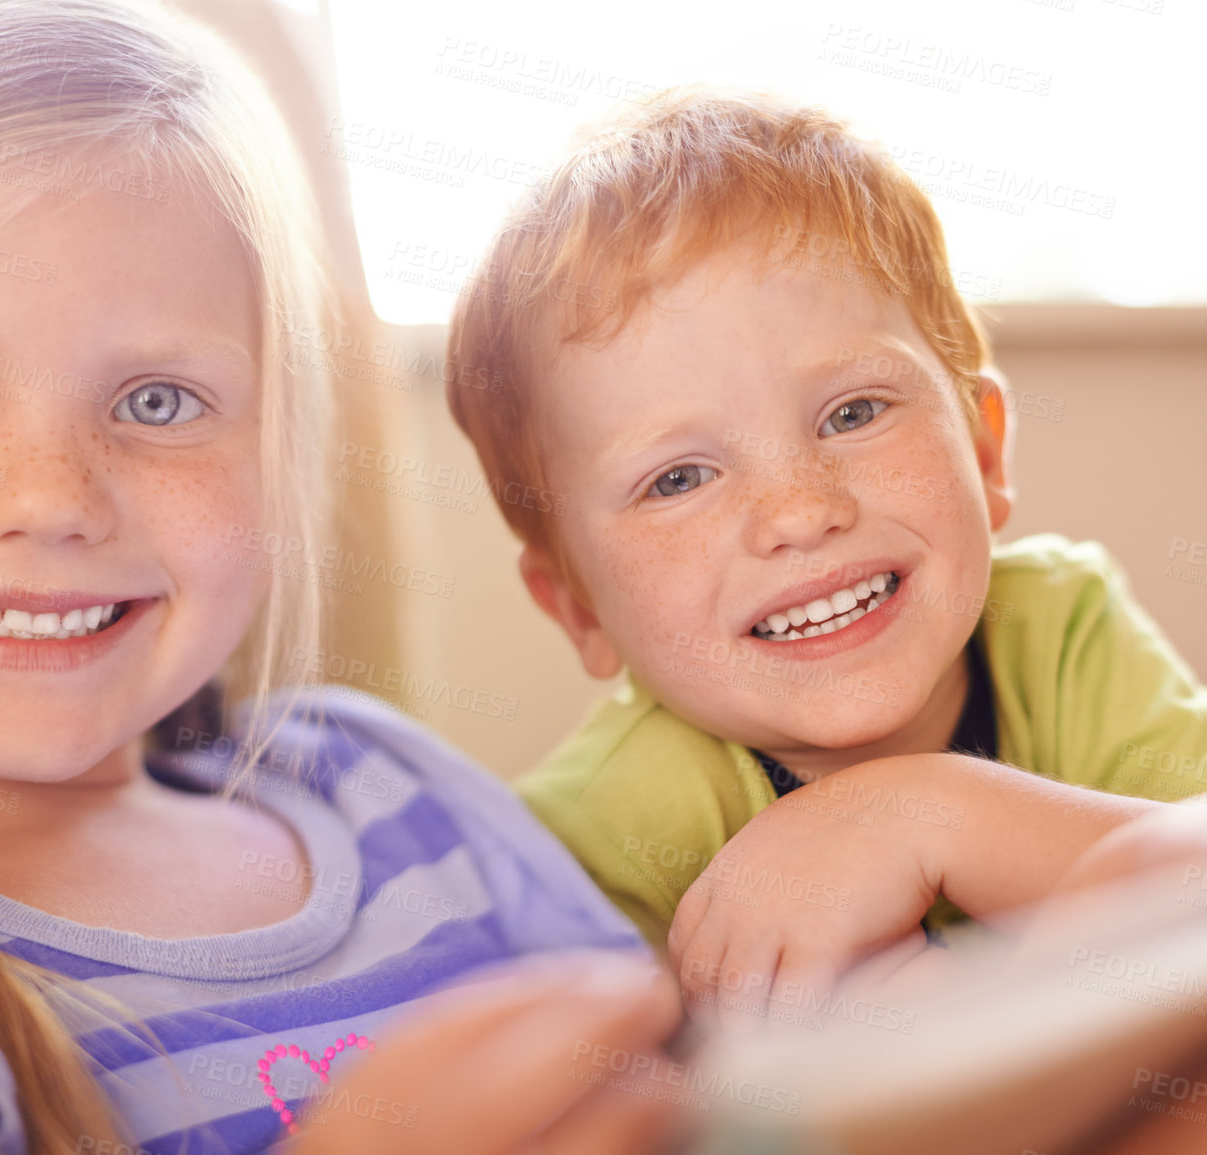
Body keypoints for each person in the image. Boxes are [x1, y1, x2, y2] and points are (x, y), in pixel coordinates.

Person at [0, 3, 681, 1152]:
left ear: (280, 470)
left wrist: (861, 821)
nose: (46, 499)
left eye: (157, 402)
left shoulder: (400, 800)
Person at [443, 88, 1207, 1020]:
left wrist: (933, 812)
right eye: (677, 478)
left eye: (853, 413)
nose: (799, 512)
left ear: (983, 450)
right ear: (579, 610)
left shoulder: (1059, 626)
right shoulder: (592, 840)